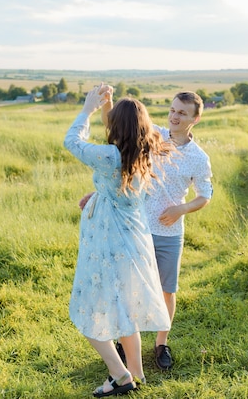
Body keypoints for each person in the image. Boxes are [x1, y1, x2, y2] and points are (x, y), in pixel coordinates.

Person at [81, 90, 213, 371]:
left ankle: (161, 343)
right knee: (128, 288)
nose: (175, 116)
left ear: (196, 119)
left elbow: (205, 195)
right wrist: (107, 104)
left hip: (169, 232)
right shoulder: (153, 135)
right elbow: (116, 127)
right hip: (135, 226)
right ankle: (127, 338)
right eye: (173, 110)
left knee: (166, 291)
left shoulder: (199, 158)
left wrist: (181, 209)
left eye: (182, 113)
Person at [64, 84, 174, 397]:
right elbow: (121, 130)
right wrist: (108, 106)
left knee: (89, 312)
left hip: (108, 243)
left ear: (118, 128)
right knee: (127, 309)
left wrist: (87, 109)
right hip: (134, 240)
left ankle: (120, 374)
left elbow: (71, 141)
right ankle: (136, 373)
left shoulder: (110, 156)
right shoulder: (145, 152)